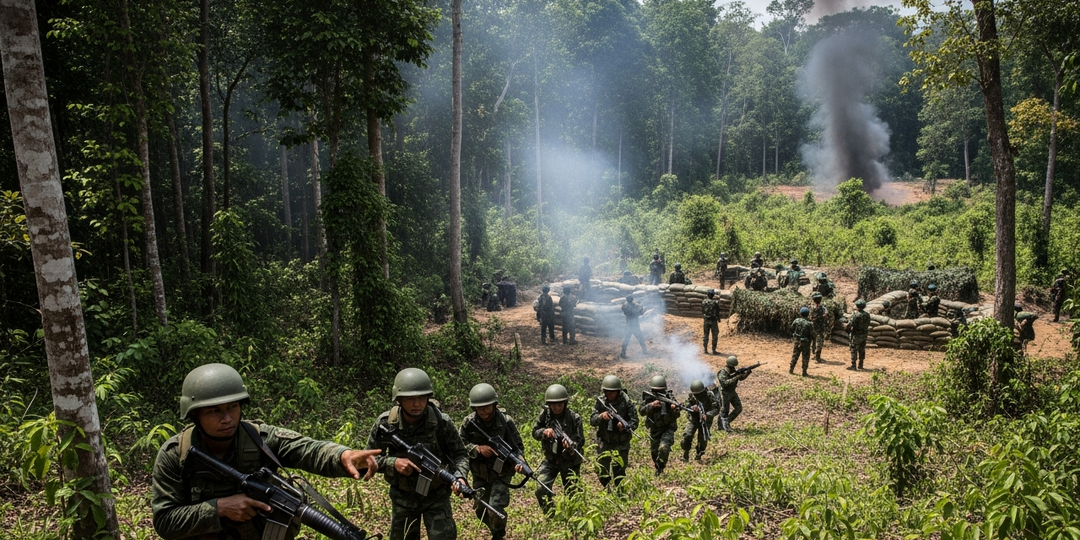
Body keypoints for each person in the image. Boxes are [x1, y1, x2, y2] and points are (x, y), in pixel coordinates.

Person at [151, 363, 382, 540]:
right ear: (194, 415)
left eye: (233, 407)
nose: (227, 418)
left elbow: (307, 449)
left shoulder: (259, 439)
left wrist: (343, 456)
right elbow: (165, 522)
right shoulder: (175, 455)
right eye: (214, 411)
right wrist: (220, 508)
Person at [366, 368, 469, 540]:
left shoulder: (441, 422)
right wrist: (393, 462)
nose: (417, 404)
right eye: (410, 399)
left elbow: (460, 454)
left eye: (421, 398)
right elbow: (368, 458)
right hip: (403, 498)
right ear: (399, 400)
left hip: (437, 496)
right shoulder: (387, 423)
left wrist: (460, 476)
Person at [459, 384, 524, 540]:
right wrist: (478, 448)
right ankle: (495, 528)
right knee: (481, 510)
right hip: (480, 472)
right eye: (480, 408)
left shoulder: (505, 421)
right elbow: (459, 446)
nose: (484, 411)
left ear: (494, 404)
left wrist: (519, 461)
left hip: (502, 471)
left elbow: (518, 446)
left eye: (487, 406)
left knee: (494, 508)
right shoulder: (468, 423)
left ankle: (498, 535)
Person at [532, 384, 585, 514]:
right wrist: (544, 432)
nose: (556, 407)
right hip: (551, 460)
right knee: (541, 489)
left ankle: (575, 521)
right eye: (553, 404)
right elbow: (534, 432)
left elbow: (580, 441)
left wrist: (572, 447)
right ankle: (551, 516)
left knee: (574, 494)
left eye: (560, 404)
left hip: (570, 461)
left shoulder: (574, 418)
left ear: (565, 403)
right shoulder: (545, 415)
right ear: (548, 404)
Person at [590, 375, 638, 489]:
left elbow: (635, 421)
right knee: (602, 468)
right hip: (605, 439)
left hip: (621, 441)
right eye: (607, 392)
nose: (609, 394)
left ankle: (620, 492)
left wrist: (625, 425)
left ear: (618, 391)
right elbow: (592, 420)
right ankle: (607, 488)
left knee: (619, 470)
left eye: (612, 392)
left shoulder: (626, 401)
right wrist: (601, 416)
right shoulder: (601, 401)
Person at [638, 375, 678, 476]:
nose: (659, 393)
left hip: (667, 428)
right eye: (656, 391)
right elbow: (641, 411)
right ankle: (658, 466)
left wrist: (674, 409)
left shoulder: (670, 397)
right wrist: (651, 405)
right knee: (654, 452)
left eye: (661, 390)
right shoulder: (649, 398)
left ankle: (661, 467)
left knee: (663, 448)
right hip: (654, 428)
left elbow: (678, 414)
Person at [680, 379, 719, 461]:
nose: (697, 396)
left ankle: (699, 454)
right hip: (693, 419)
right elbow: (685, 404)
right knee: (687, 435)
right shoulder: (692, 396)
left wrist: (707, 415)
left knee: (702, 439)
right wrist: (692, 408)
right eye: (695, 394)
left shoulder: (709, 395)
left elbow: (717, 408)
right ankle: (686, 452)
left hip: (705, 420)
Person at [716, 356, 747, 432]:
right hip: (724, 393)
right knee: (724, 411)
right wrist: (736, 377)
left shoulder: (734, 371)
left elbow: (741, 378)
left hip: (732, 392)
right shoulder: (722, 373)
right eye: (732, 366)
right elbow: (725, 383)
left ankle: (726, 422)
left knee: (738, 408)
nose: (733, 367)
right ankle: (721, 426)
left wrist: (747, 372)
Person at [846, 299, 871, 370]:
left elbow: (849, 325)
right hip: (864, 335)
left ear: (858, 306)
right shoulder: (867, 315)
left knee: (854, 349)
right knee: (862, 349)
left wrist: (848, 331)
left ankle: (853, 365)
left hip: (856, 335)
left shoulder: (855, 315)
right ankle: (861, 365)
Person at [790, 307, 814, 376]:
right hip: (806, 342)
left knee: (795, 355)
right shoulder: (809, 323)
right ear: (808, 314)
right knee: (805, 357)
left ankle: (791, 369)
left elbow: (792, 328)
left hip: (797, 341)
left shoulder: (796, 320)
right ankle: (804, 372)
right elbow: (812, 334)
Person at [809, 292, 829, 363]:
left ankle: (814, 354)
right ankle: (818, 357)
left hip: (812, 327)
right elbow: (825, 314)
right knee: (819, 342)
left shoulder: (811, 307)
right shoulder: (822, 307)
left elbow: (810, 318)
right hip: (819, 328)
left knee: (813, 341)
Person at [701, 289, 721, 354]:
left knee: (706, 335)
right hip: (713, 321)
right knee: (714, 335)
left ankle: (705, 350)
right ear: (713, 295)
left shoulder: (703, 302)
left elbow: (703, 310)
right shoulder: (715, 303)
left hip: (706, 320)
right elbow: (717, 312)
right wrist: (718, 319)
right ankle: (713, 350)